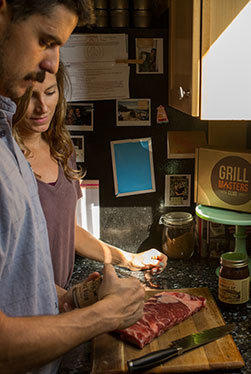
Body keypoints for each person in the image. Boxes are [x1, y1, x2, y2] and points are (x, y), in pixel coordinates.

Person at [0, 1, 145, 374]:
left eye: (59, 47)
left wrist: (71, 297)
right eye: (45, 40)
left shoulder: (8, 141)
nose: (50, 63)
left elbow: (20, 276)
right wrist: (102, 316)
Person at [12, 62, 168, 290]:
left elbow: (68, 230)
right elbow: (11, 265)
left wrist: (129, 260)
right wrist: (67, 299)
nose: (42, 107)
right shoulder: (7, 160)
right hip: (21, 307)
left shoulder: (62, 149)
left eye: (50, 92)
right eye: (29, 96)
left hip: (56, 299)